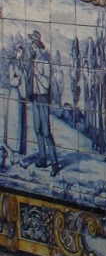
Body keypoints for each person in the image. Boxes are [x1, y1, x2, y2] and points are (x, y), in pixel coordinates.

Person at [27, 30, 59, 175]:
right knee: (37, 129)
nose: (32, 47)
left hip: (43, 98)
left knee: (46, 131)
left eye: (33, 44)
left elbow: (46, 84)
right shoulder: (32, 61)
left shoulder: (45, 62)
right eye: (32, 44)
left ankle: (55, 163)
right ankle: (42, 159)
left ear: (38, 46)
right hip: (35, 97)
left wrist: (38, 74)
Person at [1, 43, 28, 169]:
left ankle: (20, 157)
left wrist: (23, 75)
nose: (20, 55)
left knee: (21, 126)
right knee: (13, 126)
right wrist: (20, 76)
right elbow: (12, 81)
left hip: (21, 97)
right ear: (15, 52)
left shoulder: (21, 64)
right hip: (14, 96)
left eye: (22, 53)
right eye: (19, 52)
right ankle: (11, 155)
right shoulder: (12, 64)